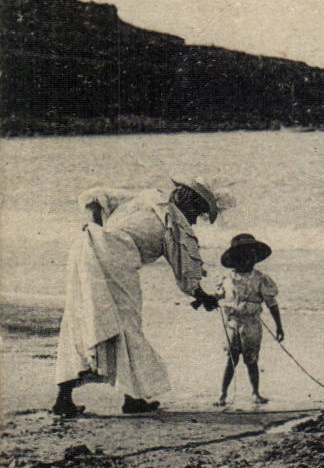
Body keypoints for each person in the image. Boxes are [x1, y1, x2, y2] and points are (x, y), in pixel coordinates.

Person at [52, 179, 227, 418]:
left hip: (86, 248)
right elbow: (186, 274)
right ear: (190, 204)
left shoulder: (147, 197)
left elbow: (94, 196)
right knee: (126, 325)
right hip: (116, 259)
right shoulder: (176, 226)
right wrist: (204, 297)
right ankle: (132, 399)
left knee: (79, 318)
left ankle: (64, 400)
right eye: (199, 212)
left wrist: (97, 230)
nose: (196, 219)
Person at [213, 233, 283, 406]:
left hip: (251, 324)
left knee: (251, 360)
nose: (246, 260)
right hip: (232, 324)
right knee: (231, 360)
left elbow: (272, 304)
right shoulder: (227, 279)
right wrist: (203, 299)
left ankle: (255, 393)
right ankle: (222, 395)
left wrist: (279, 327)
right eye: (242, 256)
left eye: (250, 256)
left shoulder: (261, 279)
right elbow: (216, 296)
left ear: (255, 258)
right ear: (235, 259)